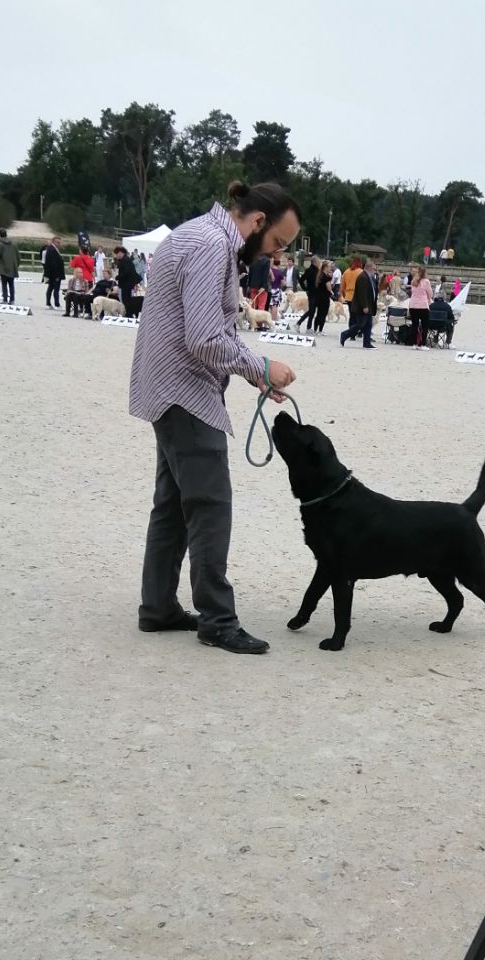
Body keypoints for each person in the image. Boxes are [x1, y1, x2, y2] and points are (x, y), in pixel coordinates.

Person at [129, 180, 301, 654]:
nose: (276, 256)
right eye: (277, 244)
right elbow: (205, 339)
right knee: (210, 506)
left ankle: (158, 607)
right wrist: (262, 365)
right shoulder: (211, 246)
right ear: (257, 222)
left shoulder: (197, 234)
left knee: (172, 506)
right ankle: (217, 620)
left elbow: (205, 332)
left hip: (166, 388)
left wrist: (252, 376)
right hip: (185, 393)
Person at [340, 259, 377, 348]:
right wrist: (365, 306)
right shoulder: (363, 277)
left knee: (368, 325)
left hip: (370, 305)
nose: (375, 271)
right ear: (369, 268)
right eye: (374, 269)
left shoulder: (370, 277)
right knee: (361, 324)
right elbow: (362, 293)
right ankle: (345, 334)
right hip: (363, 306)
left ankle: (367, 343)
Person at [409, 264, 433, 350]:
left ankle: (414, 344)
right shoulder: (426, 281)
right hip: (423, 305)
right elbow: (430, 293)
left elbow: (412, 292)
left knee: (414, 325)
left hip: (413, 305)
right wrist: (428, 299)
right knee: (425, 326)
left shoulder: (413, 281)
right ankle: (423, 344)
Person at [113, 245, 142, 317]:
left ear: (120, 253)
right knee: (127, 299)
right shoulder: (125, 259)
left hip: (127, 283)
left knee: (126, 299)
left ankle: (128, 313)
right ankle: (128, 313)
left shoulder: (125, 260)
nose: (116, 256)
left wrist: (118, 277)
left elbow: (126, 272)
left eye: (116, 254)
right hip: (128, 283)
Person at [0, 228, 19, 304]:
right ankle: (12, 300)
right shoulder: (13, 244)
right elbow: (18, 256)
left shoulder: (0, 244)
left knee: (4, 284)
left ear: (0, 234)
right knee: (11, 284)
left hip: (3, 266)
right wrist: (16, 265)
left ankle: (5, 299)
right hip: (12, 266)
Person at [296, 255, 320, 332]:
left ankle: (308, 328)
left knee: (312, 311)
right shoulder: (310, 270)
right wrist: (305, 289)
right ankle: (298, 323)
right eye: (318, 261)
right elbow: (301, 280)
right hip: (312, 293)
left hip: (315, 293)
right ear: (315, 262)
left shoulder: (316, 270)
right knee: (311, 310)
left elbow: (301, 280)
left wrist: (305, 289)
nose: (319, 263)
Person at [340, 256, 363, 331]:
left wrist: (344, 295)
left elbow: (342, 286)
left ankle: (350, 332)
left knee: (352, 315)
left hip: (349, 296)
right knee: (358, 316)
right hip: (358, 297)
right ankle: (357, 331)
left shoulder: (346, 272)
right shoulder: (360, 272)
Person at [43, 236, 65, 309]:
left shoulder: (52, 249)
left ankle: (48, 303)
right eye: (57, 242)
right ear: (53, 242)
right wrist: (57, 275)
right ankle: (57, 304)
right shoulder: (52, 250)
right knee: (55, 289)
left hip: (52, 273)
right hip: (55, 274)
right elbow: (53, 264)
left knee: (51, 288)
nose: (59, 244)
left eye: (59, 242)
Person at [313, 260, 333, 334]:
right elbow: (329, 288)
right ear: (325, 267)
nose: (331, 268)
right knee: (323, 314)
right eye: (330, 267)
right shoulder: (326, 277)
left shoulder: (319, 276)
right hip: (324, 298)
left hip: (318, 297)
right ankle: (320, 330)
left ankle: (315, 329)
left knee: (318, 314)